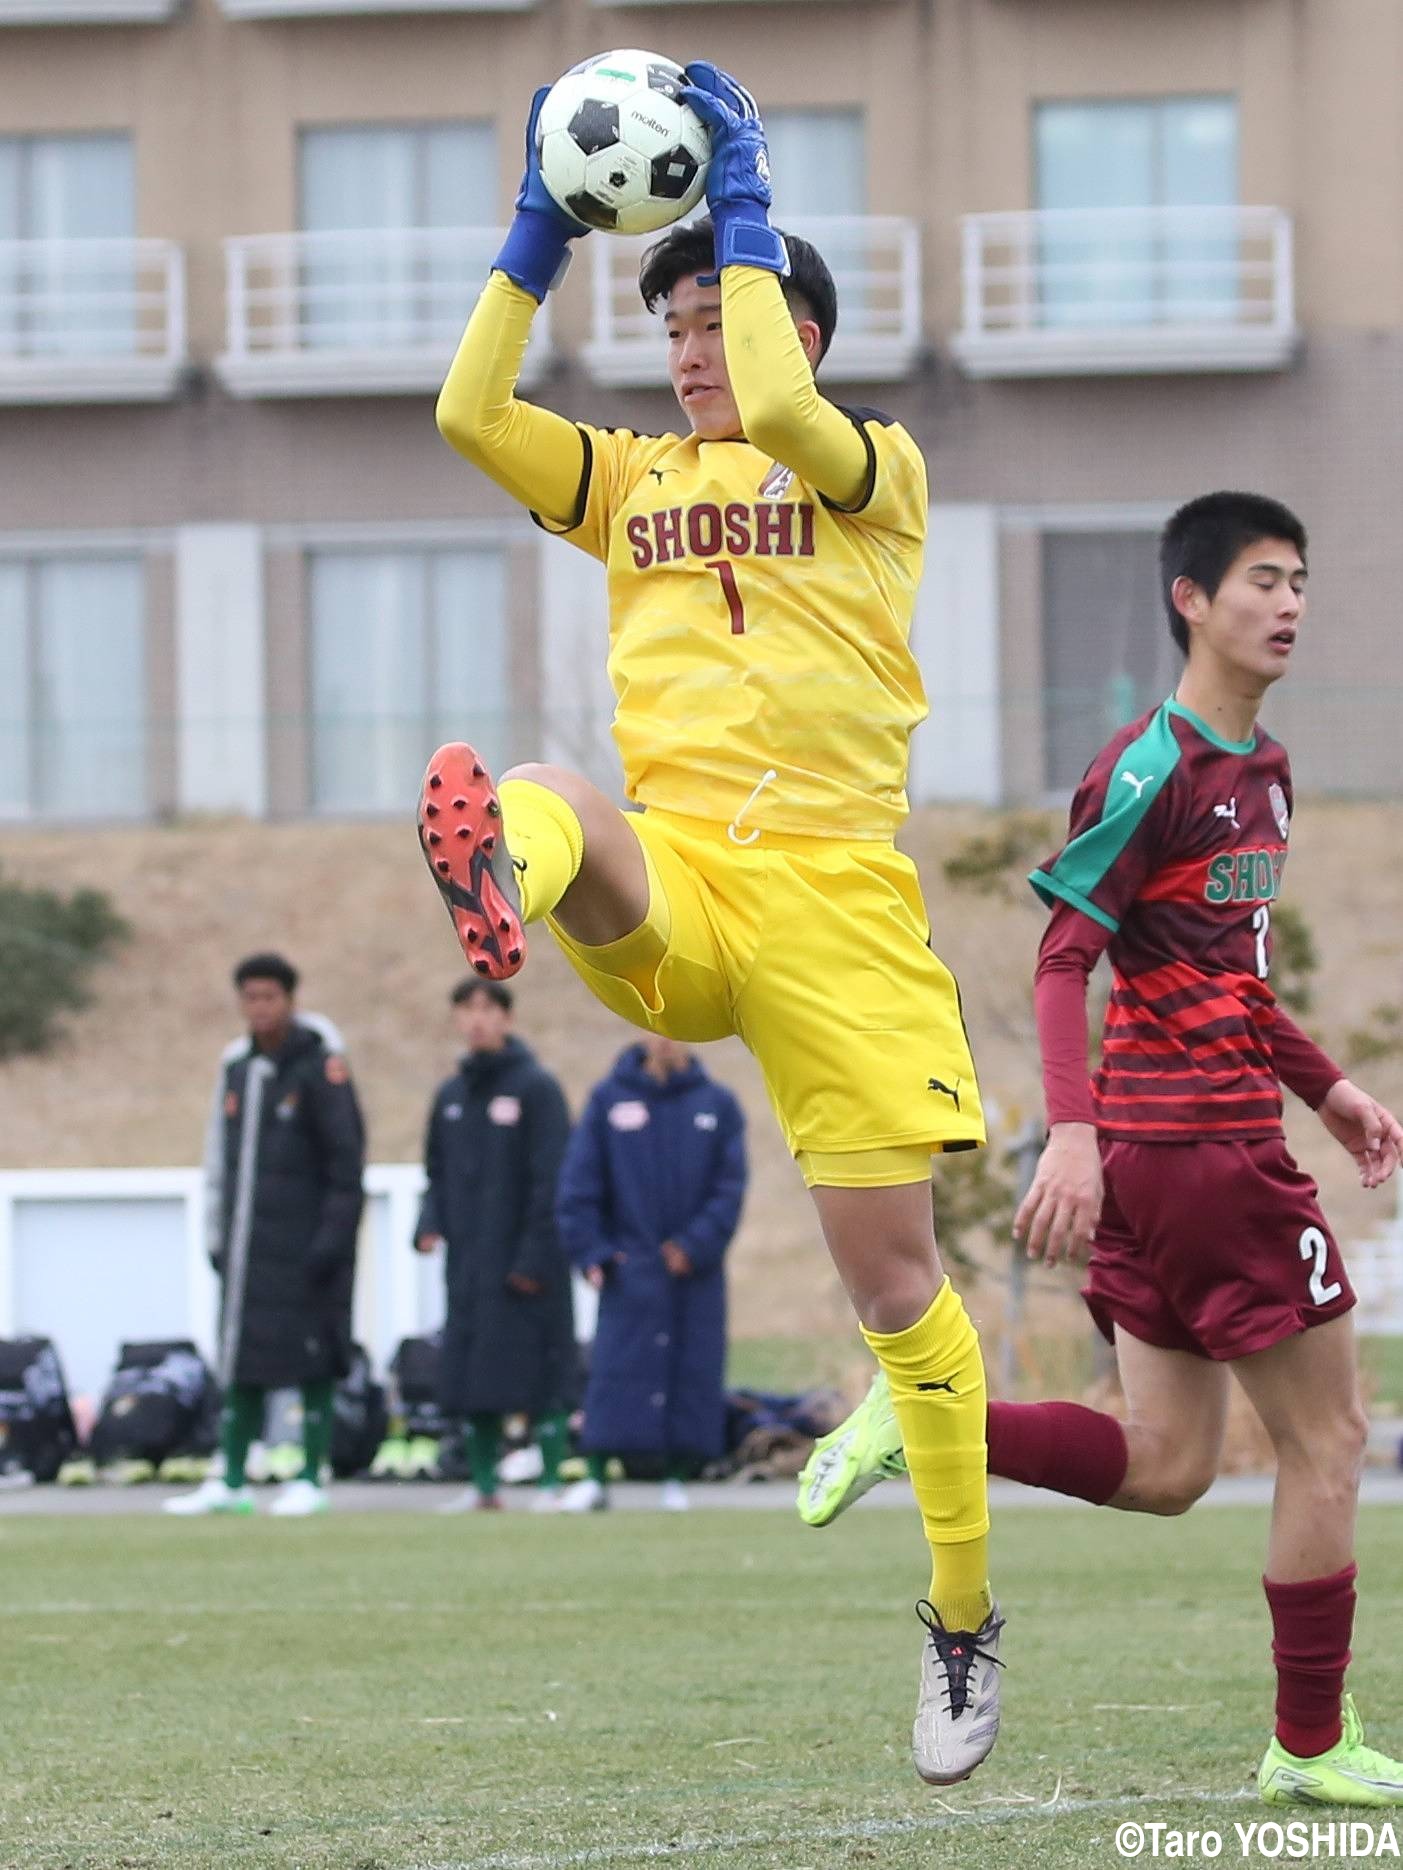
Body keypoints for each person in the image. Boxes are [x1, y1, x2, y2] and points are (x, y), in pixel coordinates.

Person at [419, 60, 999, 1784]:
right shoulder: (622, 483)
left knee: (897, 1293)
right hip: (686, 880)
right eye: (667, 324)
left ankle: (960, 1625)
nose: (689, 353)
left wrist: (743, 188)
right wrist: (532, 237)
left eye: (717, 320)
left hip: (838, 903)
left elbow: (772, 388)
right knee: (547, 789)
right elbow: (467, 415)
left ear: (796, 336)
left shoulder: (867, 470)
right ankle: (495, 882)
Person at [797, 492, 1403, 1806]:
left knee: (1167, 1463)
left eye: (1298, 579)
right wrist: (1067, 1133)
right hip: (1197, 1156)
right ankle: (1305, 1747)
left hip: (1183, 1150)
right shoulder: (1150, 765)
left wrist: (1329, 1087)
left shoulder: (1265, 773)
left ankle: (919, 1419)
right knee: (1330, 1437)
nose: (1287, 602)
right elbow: (1064, 953)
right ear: (1188, 597)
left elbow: (1226, 981)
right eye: (1259, 578)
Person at [166, 952, 364, 1519]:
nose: (259, 1008)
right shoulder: (238, 1069)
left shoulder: (321, 1069)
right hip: (250, 1245)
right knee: (242, 1360)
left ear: (290, 1001)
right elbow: (218, 1159)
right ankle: (231, 1477)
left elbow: (346, 1163)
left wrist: (332, 1239)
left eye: (269, 997)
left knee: (313, 1360)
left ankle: (310, 1474)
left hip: (307, 1248)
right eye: (250, 997)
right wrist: (217, 1234)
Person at [555, 1033, 746, 1513]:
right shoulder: (608, 1099)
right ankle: (597, 1475)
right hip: (629, 1269)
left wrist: (694, 1245)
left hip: (692, 1274)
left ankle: (677, 1476)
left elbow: (730, 1189)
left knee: (689, 1369)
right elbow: (579, 1184)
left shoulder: (717, 1105)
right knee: (616, 1371)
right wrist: (594, 1252)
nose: (665, 1039)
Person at [415, 978, 574, 1513]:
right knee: (473, 1374)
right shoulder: (451, 1096)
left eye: (487, 1008)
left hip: (526, 1265)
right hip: (469, 1262)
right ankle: (484, 1487)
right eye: (466, 1010)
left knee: (539, 1374)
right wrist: (429, 1222)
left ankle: (551, 1483)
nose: (477, 1020)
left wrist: (534, 1256)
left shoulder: (537, 1089)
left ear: (507, 1018)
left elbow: (553, 1179)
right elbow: (435, 1171)